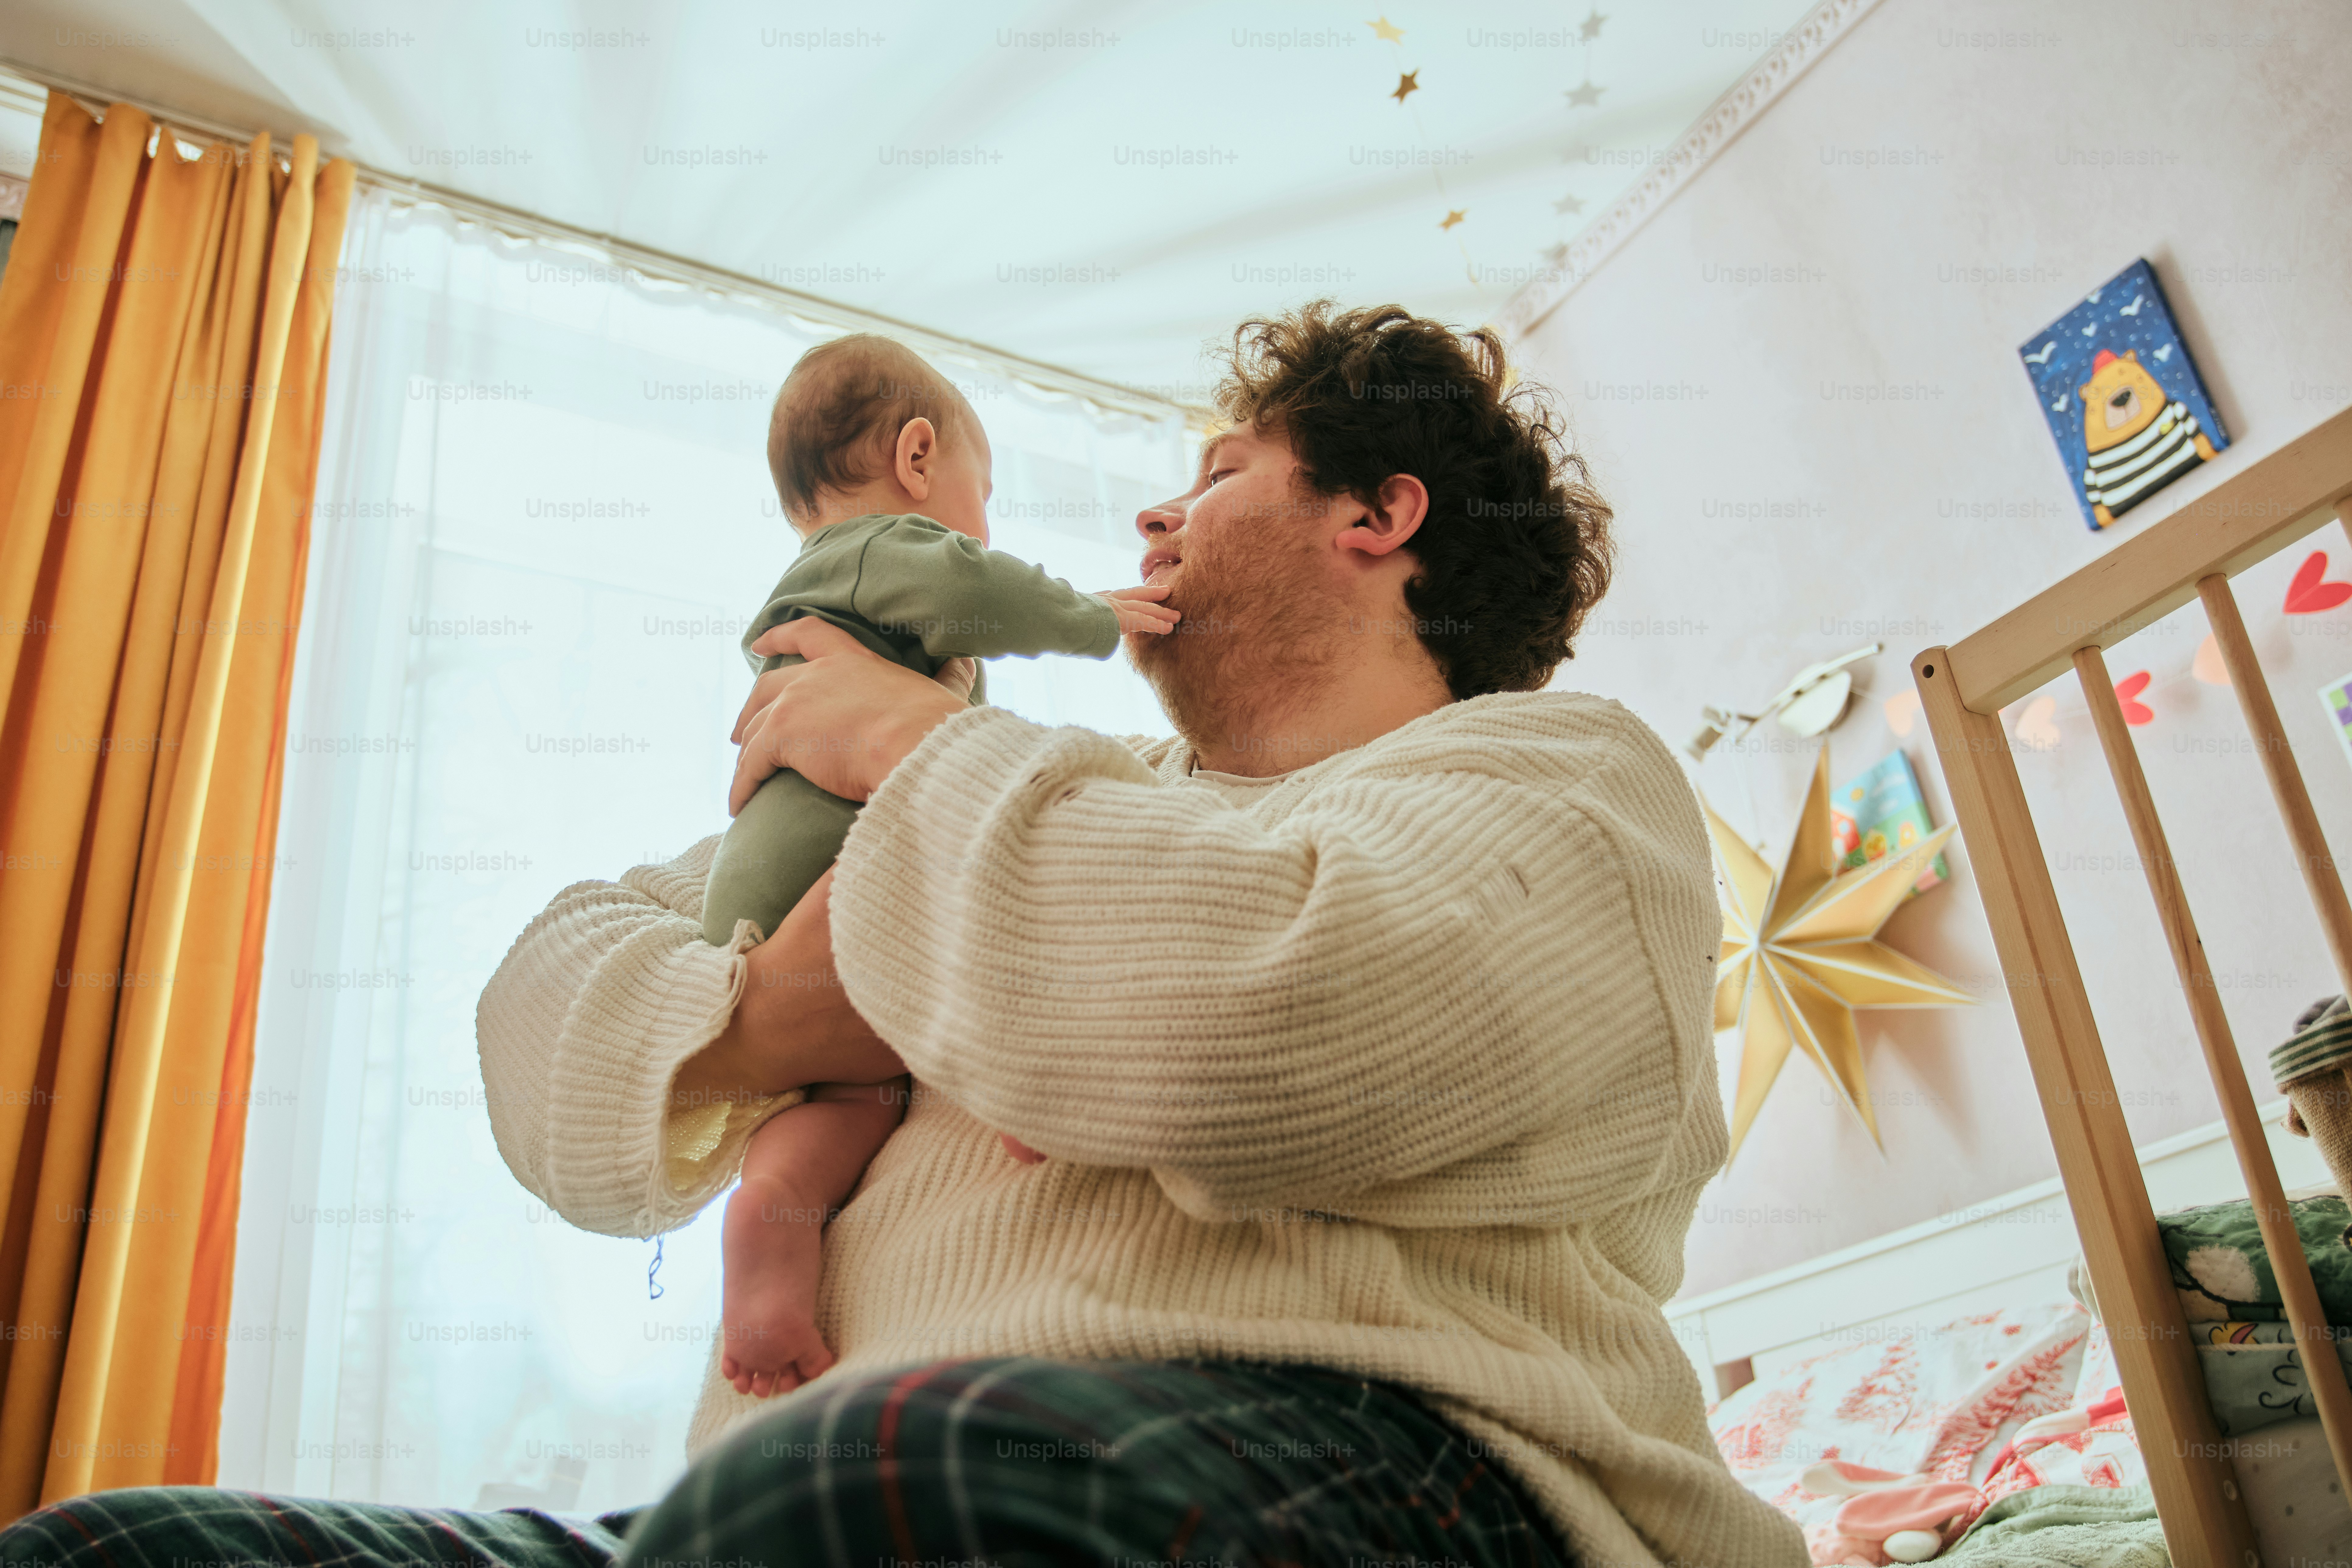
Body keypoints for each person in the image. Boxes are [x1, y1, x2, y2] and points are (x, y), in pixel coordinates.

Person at [0, 303, 1808, 1568]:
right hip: (780, 1505)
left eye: (1218, 469)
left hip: (1371, 1451)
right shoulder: (1051, 798)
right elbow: (540, 1004)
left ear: (1378, 511)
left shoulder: (1562, 778)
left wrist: (906, 743)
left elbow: (1266, 1022)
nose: (1155, 513)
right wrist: (761, 1021)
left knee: (858, 1490)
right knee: (112, 1553)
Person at [696, 334, 1178, 1398]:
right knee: (987, 891)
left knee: (851, 1104)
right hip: (841, 850)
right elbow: (974, 588)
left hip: (764, 895)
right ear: (916, 457)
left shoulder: (822, 586)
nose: (983, 522)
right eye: (984, 492)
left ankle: (771, 1230)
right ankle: (1029, 1080)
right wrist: (1092, 617)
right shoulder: (881, 548)